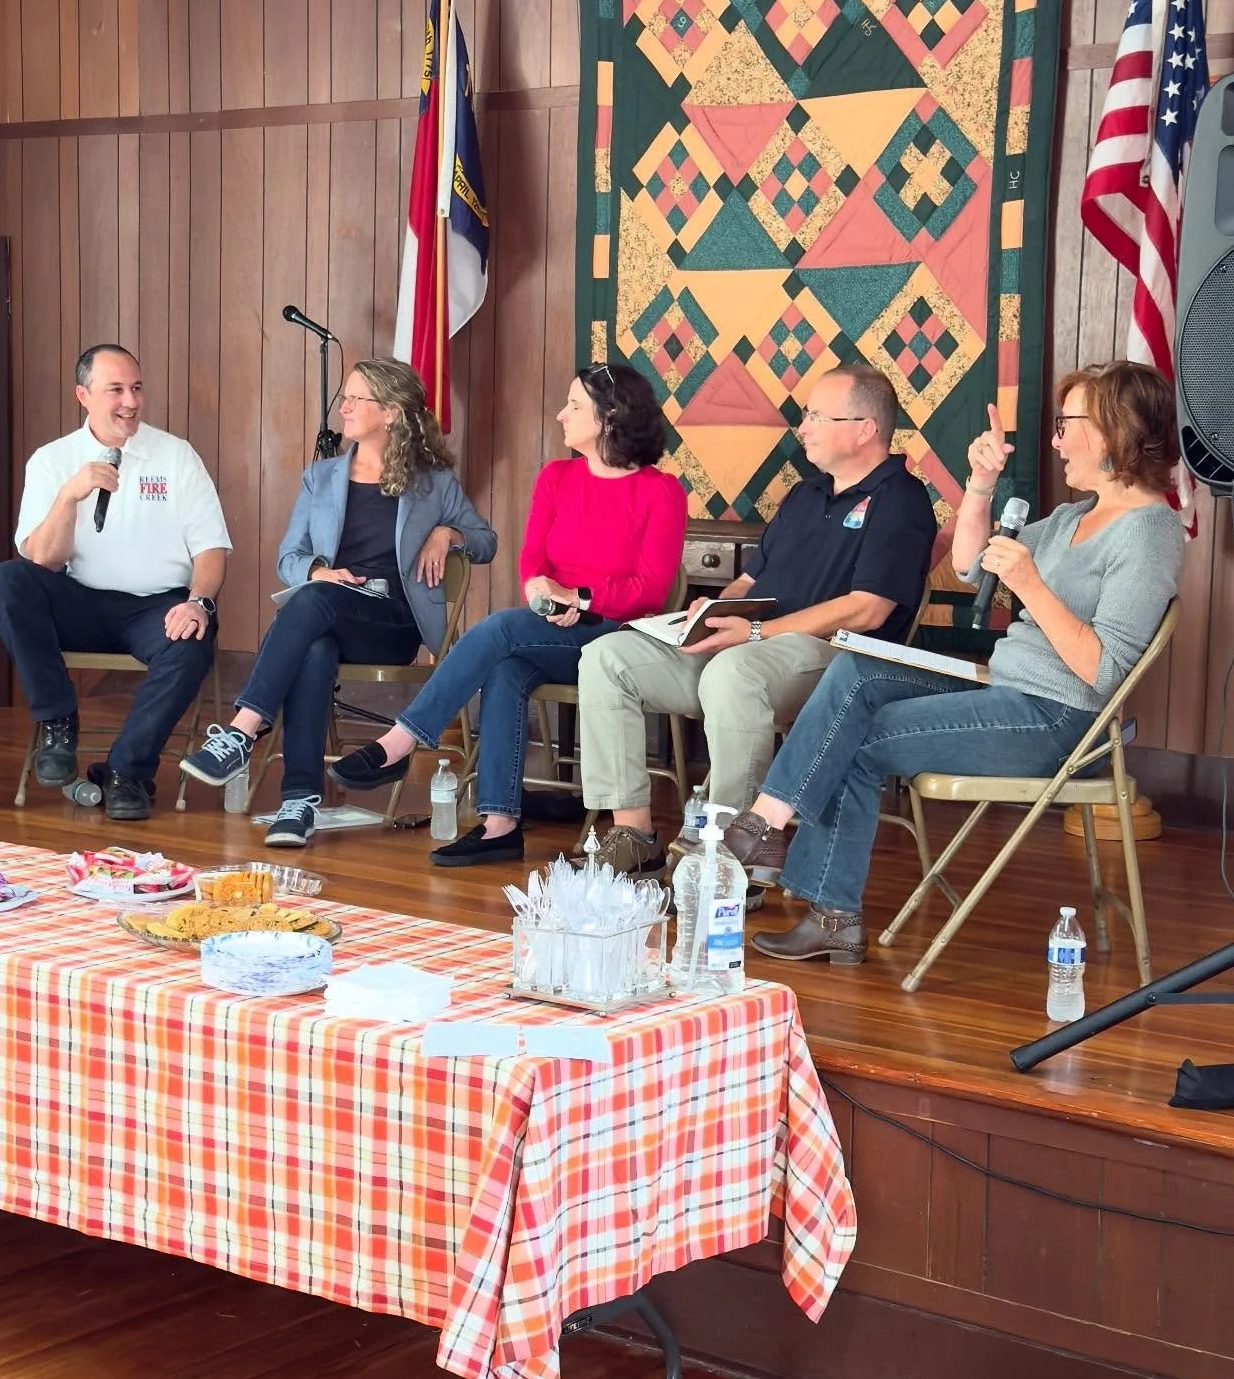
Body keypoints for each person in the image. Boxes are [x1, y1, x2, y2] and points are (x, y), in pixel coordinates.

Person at [731, 362, 1185, 966]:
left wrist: (1031, 585)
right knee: (856, 669)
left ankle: (812, 889)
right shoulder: (1075, 517)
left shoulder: (1149, 533)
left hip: (1055, 719)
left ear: (1112, 430)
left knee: (853, 738)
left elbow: (1102, 672)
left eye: (1064, 424)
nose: (1053, 440)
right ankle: (770, 833)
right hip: (1004, 689)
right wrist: (978, 483)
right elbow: (970, 564)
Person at [577, 361, 936, 875]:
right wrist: (714, 609)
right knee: (606, 656)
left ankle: (727, 853)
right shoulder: (805, 493)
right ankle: (633, 832)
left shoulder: (901, 499)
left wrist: (758, 633)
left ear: (864, 430)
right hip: (748, 643)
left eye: (816, 416)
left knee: (735, 673)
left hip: (836, 657)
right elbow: (750, 582)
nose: (803, 427)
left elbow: (868, 606)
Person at [329, 362, 687, 866]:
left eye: (575, 406)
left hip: (617, 637)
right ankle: (499, 824)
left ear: (611, 417)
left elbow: (648, 592)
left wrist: (579, 597)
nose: (561, 415)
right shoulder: (557, 477)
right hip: (548, 625)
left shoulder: (661, 492)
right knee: (506, 664)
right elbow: (532, 564)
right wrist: (546, 595)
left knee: (499, 629)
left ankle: (403, 740)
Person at [180, 360, 497, 848]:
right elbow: (288, 557)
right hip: (328, 613)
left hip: (391, 623)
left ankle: (244, 729)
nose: (343, 408)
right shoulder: (321, 477)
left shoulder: (433, 482)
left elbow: (486, 541)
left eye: (355, 399)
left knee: (312, 606)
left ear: (390, 412)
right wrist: (314, 572)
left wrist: (447, 532)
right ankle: (299, 802)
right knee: (314, 642)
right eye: (343, 399)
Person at [0, 343, 231, 823]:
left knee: (193, 636)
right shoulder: (52, 460)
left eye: (136, 388)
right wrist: (69, 497)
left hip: (155, 608)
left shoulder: (176, 456)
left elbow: (211, 548)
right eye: (115, 389)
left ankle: (127, 771)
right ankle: (57, 721)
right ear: (83, 395)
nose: (130, 401)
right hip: (79, 601)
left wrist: (199, 602)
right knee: (8, 580)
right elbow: (42, 560)